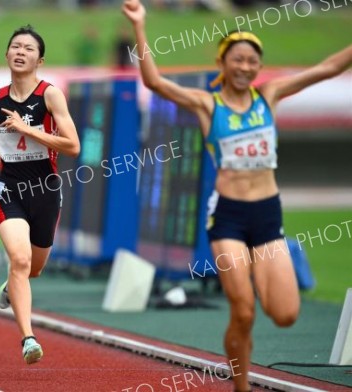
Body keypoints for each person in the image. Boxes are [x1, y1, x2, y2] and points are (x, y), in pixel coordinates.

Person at [122, 0, 352, 390]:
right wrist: (140, 27)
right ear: (222, 63)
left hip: (267, 217)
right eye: (238, 59)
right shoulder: (208, 105)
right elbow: (155, 83)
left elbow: (329, 68)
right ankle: (241, 386)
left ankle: (262, 283)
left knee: (285, 314)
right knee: (243, 311)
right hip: (227, 218)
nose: (245, 67)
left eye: (252, 61)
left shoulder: (271, 96)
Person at [0, 25, 80, 365]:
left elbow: (72, 145)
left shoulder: (50, 95)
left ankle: (11, 287)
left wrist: (28, 128)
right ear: (6, 55)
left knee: (34, 268)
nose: (20, 52)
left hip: (45, 189)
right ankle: (28, 338)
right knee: (20, 260)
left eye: (28, 48)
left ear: (39, 60)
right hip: (9, 190)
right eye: (15, 46)